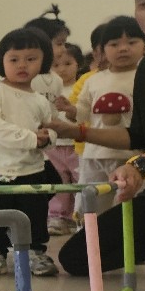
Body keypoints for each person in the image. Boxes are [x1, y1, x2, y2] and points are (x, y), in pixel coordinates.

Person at [50, 0, 145, 273]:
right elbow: (136, 135)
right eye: (144, 4)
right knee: (77, 257)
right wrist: (76, 131)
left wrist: (139, 165)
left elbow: (141, 154)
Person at [0, 27, 59, 278]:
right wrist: (31, 138)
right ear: (2, 62)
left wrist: (47, 139)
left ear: (43, 62)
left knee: (34, 214)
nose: (22, 65)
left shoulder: (40, 100)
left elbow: (52, 127)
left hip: (31, 168)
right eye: (14, 59)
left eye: (31, 59)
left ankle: (34, 253)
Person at [73, 16, 145, 214]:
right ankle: (89, 231)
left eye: (132, 42)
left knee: (131, 204)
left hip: (132, 156)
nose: (123, 49)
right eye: (114, 44)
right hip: (94, 154)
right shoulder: (93, 80)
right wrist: (70, 111)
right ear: (102, 50)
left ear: (144, 47)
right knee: (91, 203)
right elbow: (82, 112)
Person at [42, 42, 82, 234]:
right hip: (54, 146)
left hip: (77, 144)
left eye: (68, 63)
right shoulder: (48, 90)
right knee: (60, 182)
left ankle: (81, 216)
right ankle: (58, 217)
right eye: (56, 65)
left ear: (78, 64)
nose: (61, 69)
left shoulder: (81, 87)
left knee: (80, 180)